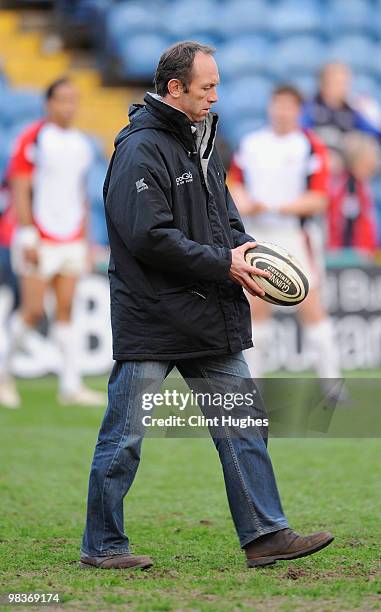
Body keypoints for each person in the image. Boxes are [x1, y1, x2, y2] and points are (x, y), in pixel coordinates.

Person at [80, 43, 333, 571]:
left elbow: (227, 223)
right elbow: (149, 237)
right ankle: (103, 545)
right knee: (123, 438)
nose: (216, 97)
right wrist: (224, 264)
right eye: (207, 88)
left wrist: (247, 255)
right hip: (152, 316)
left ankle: (265, 536)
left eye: (216, 87)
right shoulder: (138, 149)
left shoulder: (208, 142)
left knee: (244, 426)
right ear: (175, 89)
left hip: (208, 315)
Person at [0, 77, 107, 408]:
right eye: (62, 99)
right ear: (48, 103)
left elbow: (80, 195)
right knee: (32, 310)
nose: (68, 106)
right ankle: (4, 374)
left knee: (65, 311)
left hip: (71, 236)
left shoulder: (81, 144)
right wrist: (28, 232)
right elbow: (20, 184)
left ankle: (70, 385)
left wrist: (86, 238)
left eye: (73, 99)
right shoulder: (34, 137)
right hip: (39, 236)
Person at [229, 84, 342, 386]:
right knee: (256, 307)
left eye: (287, 106)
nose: (281, 111)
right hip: (256, 234)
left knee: (311, 304)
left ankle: (331, 382)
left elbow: (319, 198)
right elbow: (234, 183)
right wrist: (243, 200)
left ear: (297, 110)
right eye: (277, 104)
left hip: (294, 234)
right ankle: (253, 384)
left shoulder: (308, 145)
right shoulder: (251, 143)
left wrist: (276, 207)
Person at [328, 131, 379, 254]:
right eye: (368, 162)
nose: (373, 166)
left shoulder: (363, 186)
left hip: (363, 252)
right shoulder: (343, 186)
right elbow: (336, 222)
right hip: (341, 253)